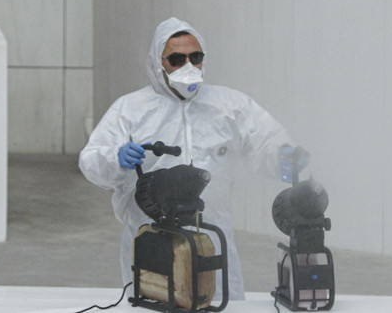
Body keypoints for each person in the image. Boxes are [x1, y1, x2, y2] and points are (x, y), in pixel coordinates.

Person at [79, 17, 305, 300]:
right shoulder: (131, 110)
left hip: (213, 239)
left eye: (195, 57)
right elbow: (91, 161)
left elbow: (264, 144)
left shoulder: (229, 106)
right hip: (153, 238)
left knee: (220, 302)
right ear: (157, 63)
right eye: (176, 59)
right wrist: (115, 158)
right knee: (155, 302)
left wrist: (286, 158)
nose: (188, 66)